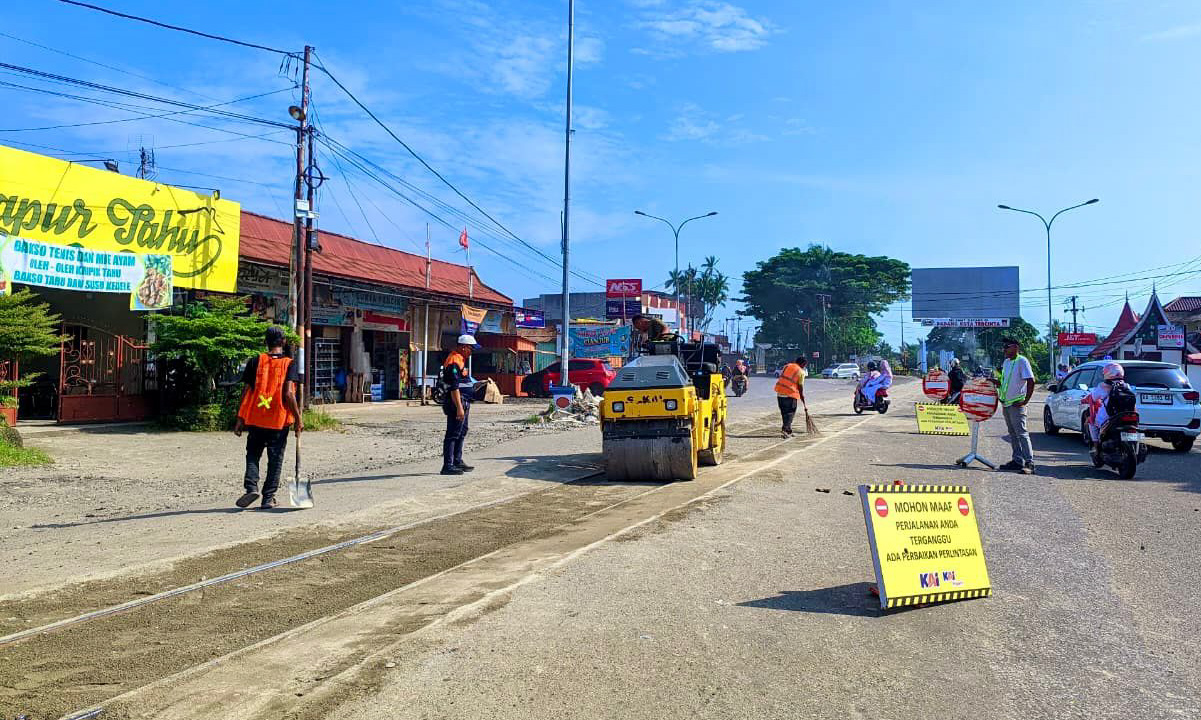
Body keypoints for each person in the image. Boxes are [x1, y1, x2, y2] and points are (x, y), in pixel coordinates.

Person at [234, 326, 302, 510]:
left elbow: (246, 391)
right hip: (278, 421)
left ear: (266, 342)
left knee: (253, 455)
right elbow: (289, 393)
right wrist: (298, 418)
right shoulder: (290, 363)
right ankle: (268, 498)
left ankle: (251, 488)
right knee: (275, 459)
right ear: (284, 342)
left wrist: (240, 418)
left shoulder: (256, 360)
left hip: (256, 418)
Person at [997, 337, 1036, 474]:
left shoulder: (1022, 361)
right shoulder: (1006, 362)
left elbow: (1031, 381)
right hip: (1006, 404)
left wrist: (1025, 401)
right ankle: (1017, 460)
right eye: (1004, 347)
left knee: (1022, 434)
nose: (1004, 350)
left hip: (1017, 404)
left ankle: (1030, 463)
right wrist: (995, 383)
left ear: (1015, 347)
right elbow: (1004, 382)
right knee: (1013, 434)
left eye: (1007, 347)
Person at [441, 334, 477, 476]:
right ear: (463, 347)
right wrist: (459, 408)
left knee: (462, 432)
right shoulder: (453, 362)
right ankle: (448, 465)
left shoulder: (460, 360)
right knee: (453, 434)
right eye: (470, 348)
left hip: (464, 401)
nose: (471, 351)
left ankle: (457, 460)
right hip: (456, 403)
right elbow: (453, 387)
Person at [1081, 362, 1125, 444]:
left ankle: (1096, 445)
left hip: (1108, 417)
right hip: (1127, 415)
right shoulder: (1127, 386)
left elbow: (1093, 398)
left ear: (1107, 373)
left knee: (1092, 423)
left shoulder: (1102, 386)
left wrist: (1084, 400)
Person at [773, 355, 808, 437]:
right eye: (805, 365)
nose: (804, 367)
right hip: (790, 394)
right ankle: (785, 429)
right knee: (790, 413)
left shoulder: (787, 366)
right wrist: (802, 396)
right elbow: (800, 386)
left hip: (780, 393)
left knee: (784, 413)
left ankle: (788, 430)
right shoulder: (801, 372)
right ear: (802, 364)